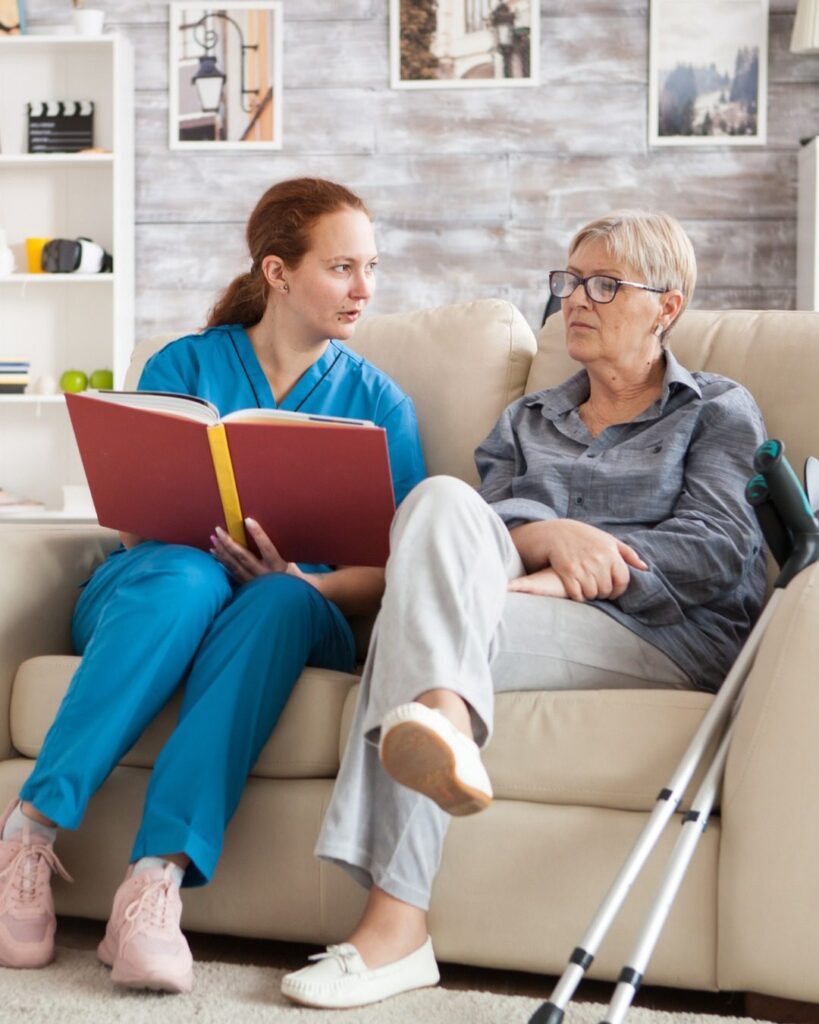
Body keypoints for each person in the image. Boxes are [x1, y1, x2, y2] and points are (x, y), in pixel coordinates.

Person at [280, 210, 768, 1009]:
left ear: (666, 307)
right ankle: (440, 723)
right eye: (569, 281)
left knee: (419, 615)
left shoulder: (715, 409)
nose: (576, 299)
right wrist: (550, 535)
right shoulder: (525, 420)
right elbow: (480, 530)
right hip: (515, 608)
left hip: (663, 634)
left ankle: (396, 925)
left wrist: (577, 569)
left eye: (604, 284)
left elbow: (716, 549)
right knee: (436, 501)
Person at [0, 178, 425, 992]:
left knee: (275, 599)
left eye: (370, 267)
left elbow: (388, 570)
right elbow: (131, 523)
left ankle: (154, 885)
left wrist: (302, 578)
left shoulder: (379, 404)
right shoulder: (181, 364)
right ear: (277, 272)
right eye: (342, 268)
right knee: (188, 576)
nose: (363, 289)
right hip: (159, 583)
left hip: (300, 609)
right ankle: (28, 833)